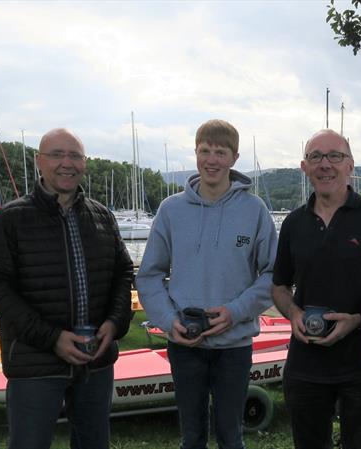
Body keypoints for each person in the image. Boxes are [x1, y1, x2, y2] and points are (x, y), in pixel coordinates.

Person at [0, 128, 134, 449]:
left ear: (85, 163)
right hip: (35, 363)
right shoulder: (11, 219)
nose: (67, 163)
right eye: (57, 154)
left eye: (75, 155)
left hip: (96, 361)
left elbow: (122, 274)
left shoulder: (102, 216)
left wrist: (115, 323)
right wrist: (52, 338)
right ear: (39, 161)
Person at [136, 119, 277, 449]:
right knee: (192, 436)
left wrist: (236, 311)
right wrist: (170, 322)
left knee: (231, 435)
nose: (212, 159)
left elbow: (273, 274)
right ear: (196, 153)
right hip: (185, 345)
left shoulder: (254, 210)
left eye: (220, 152)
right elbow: (150, 275)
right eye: (205, 151)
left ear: (234, 157)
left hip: (235, 345)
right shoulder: (171, 210)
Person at [271, 129, 361, 449]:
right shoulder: (293, 223)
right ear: (305, 167)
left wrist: (358, 319)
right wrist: (293, 313)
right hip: (305, 365)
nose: (325, 164)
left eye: (335, 156)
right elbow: (279, 286)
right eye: (316, 157)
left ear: (350, 166)